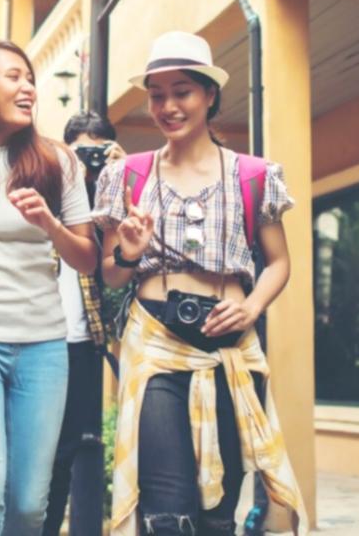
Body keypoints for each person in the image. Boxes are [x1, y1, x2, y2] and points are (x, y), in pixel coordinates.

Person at [93, 31, 308, 535]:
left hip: (229, 348)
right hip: (155, 347)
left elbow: (278, 263)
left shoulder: (254, 176)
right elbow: (109, 274)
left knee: (218, 511)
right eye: (157, 94)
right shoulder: (128, 176)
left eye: (182, 91)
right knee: (167, 508)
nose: (168, 106)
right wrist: (129, 249)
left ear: (210, 95)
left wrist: (252, 307)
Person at [0, 40, 98, 535]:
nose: (28, 87)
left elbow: (88, 259)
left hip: (43, 345)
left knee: (30, 503)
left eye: (30, 78)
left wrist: (51, 224)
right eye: (13, 76)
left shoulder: (59, 162)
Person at [42, 111, 123, 536]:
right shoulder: (50, 189)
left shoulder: (111, 197)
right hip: (40, 339)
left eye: (97, 150)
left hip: (84, 343)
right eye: (81, 152)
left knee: (71, 450)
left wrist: (118, 177)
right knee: (39, 453)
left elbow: (123, 266)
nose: (89, 161)